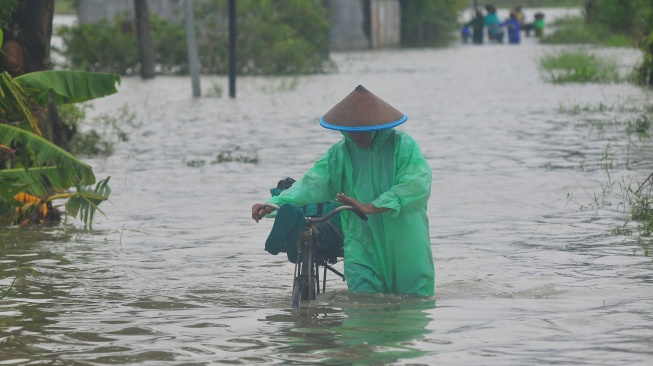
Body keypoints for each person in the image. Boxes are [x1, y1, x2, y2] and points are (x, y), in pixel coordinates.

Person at [252, 85, 435, 297]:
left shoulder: (402, 146)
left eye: (364, 129)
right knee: (362, 305)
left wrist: (371, 206)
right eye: (352, 130)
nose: (357, 136)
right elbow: (311, 184)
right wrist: (274, 204)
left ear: (377, 126)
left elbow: (417, 184)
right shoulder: (339, 154)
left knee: (411, 309)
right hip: (361, 240)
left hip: (403, 240)